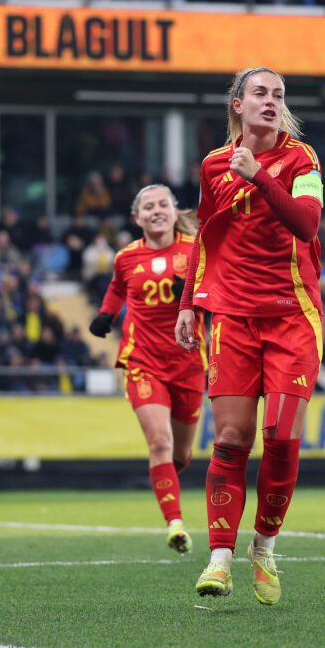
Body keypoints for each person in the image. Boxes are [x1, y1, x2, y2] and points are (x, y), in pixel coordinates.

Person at [176, 66, 324, 605]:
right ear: (236, 104)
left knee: (281, 437)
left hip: (292, 315)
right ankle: (219, 558)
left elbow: (307, 224)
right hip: (233, 319)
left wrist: (259, 174)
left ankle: (263, 545)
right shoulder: (215, 164)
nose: (271, 101)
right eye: (260, 93)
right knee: (232, 439)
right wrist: (192, 301)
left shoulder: (302, 159)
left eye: (278, 94)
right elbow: (205, 238)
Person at [90, 184, 206, 554]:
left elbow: (218, 290)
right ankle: (175, 523)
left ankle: (167, 479)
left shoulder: (196, 250)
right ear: (137, 217)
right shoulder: (126, 257)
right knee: (159, 441)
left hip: (188, 362)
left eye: (163, 204)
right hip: (143, 361)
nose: (156, 211)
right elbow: (117, 287)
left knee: (180, 454)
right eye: (148, 206)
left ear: (174, 211)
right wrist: (105, 315)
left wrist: (193, 294)